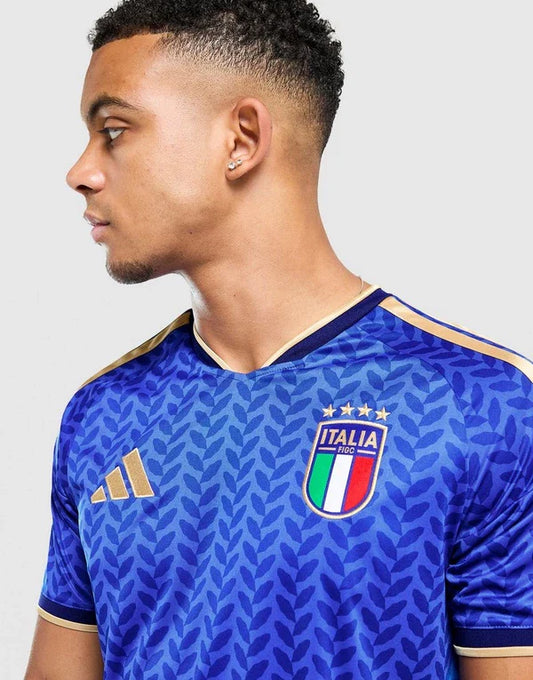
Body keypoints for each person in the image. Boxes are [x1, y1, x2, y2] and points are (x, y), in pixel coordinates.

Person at [25, 1, 533, 679]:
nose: (80, 171)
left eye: (113, 131)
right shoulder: (102, 414)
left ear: (240, 140)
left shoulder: (481, 404)